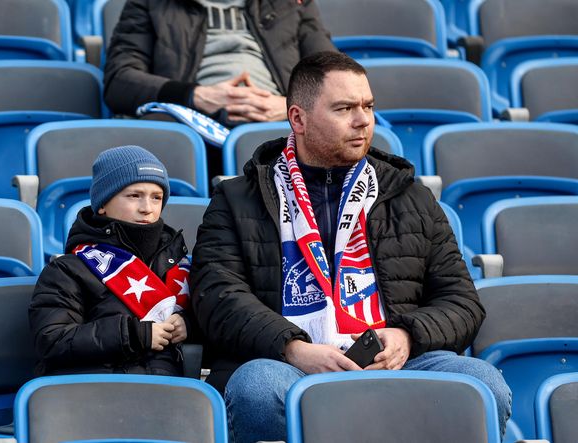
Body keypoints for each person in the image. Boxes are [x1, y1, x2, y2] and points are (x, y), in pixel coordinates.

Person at [189, 51, 512, 442]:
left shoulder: (411, 197)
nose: (363, 120)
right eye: (344, 108)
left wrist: (407, 336)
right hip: (288, 364)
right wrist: (293, 348)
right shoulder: (238, 198)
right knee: (256, 388)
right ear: (298, 119)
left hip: (398, 360)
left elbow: (462, 302)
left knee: (483, 383)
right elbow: (218, 299)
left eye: (368, 106)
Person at [30, 145, 192, 376]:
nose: (147, 208)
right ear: (103, 204)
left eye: (156, 198)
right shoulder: (68, 270)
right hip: (96, 396)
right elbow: (52, 340)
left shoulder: (179, 264)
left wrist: (190, 325)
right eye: (134, 195)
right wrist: (134, 335)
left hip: (169, 397)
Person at [103, 0, 336, 126]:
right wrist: (195, 97)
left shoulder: (293, 3)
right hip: (192, 119)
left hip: (277, 119)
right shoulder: (150, 3)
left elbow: (334, 75)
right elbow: (119, 80)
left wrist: (290, 106)